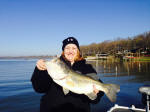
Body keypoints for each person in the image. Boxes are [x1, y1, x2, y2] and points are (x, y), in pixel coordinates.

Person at [31, 37, 104, 112]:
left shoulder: (87, 68)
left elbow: (96, 100)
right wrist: (39, 70)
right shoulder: (54, 66)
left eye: (74, 48)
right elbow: (39, 88)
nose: (70, 51)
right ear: (63, 51)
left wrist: (96, 94)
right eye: (67, 48)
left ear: (78, 51)